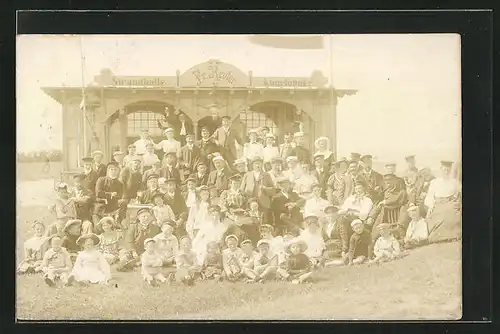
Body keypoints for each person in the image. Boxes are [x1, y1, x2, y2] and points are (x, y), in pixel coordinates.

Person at [424, 160, 461, 243]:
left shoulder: (454, 182)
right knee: (439, 216)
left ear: (451, 170)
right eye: (444, 170)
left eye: (448, 170)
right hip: (438, 204)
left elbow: (459, 192)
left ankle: (453, 235)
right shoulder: (435, 182)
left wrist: (456, 198)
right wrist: (430, 206)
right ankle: (438, 237)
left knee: (452, 214)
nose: (446, 172)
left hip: (450, 203)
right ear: (441, 170)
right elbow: (430, 195)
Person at [369, 173, 408, 243]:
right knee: (376, 232)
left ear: (395, 182)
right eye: (387, 182)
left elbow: (399, 201)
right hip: (386, 216)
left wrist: (386, 202)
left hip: (398, 216)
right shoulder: (387, 192)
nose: (388, 184)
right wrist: (371, 216)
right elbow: (379, 204)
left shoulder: (402, 192)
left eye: (390, 182)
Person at [93, 162, 127, 229]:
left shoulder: (120, 183)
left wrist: (110, 197)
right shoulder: (101, 180)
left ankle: (118, 221)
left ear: (118, 171)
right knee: (97, 212)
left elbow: (120, 195)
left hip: (113, 203)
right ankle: (98, 227)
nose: (113, 171)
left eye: (115, 170)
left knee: (124, 202)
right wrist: (110, 194)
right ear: (108, 171)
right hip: (101, 203)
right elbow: (98, 193)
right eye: (111, 169)